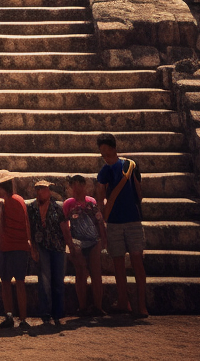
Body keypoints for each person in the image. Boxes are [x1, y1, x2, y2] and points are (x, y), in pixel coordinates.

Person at [94, 132, 148, 318]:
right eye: (103, 155)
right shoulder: (113, 169)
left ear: (115, 149)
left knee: (136, 263)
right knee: (119, 264)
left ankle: (141, 306)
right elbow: (101, 199)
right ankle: (126, 303)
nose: (106, 158)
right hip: (118, 221)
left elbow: (138, 192)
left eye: (107, 154)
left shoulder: (129, 166)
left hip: (129, 220)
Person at [0, 170, 32, 331]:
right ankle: (22, 318)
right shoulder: (19, 200)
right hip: (20, 247)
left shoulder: (4, 203)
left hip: (8, 248)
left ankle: (10, 316)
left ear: (2, 188)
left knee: (7, 283)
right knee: (18, 283)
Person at [27, 178, 71, 327]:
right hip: (42, 247)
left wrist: (69, 245)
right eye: (38, 189)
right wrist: (32, 247)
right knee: (44, 281)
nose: (40, 192)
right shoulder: (31, 208)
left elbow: (64, 227)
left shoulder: (57, 208)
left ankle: (58, 313)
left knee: (58, 280)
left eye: (43, 189)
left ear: (48, 191)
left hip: (58, 247)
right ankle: (45, 313)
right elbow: (30, 228)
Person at [63, 174, 107, 316]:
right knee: (81, 273)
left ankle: (98, 306)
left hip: (93, 241)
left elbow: (99, 220)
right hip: (77, 242)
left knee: (96, 273)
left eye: (79, 185)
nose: (77, 189)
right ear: (70, 188)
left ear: (84, 186)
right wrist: (69, 244)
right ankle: (82, 307)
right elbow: (64, 224)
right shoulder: (68, 204)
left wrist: (103, 238)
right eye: (74, 187)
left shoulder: (92, 202)